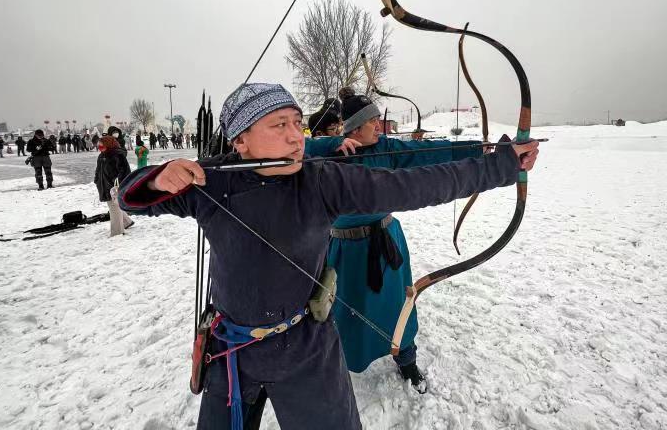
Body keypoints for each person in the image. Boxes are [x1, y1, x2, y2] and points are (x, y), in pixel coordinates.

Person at [118, 82, 539, 430]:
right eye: (279, 125)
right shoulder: (212, 183)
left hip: (306, 347)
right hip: (231, 352)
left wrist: (499, 167)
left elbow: (414, 185)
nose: (294, 136)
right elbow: (132, 195)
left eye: (298, 124)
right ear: (240, 140)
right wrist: (158, 178)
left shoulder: (321, 182)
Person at [304, 87, 491, 391]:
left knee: (397, 307)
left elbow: (429, 152)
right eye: (371, 122)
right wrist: (334, 143)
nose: (378, 125)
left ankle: (407, 360)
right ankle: (340, 365)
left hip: (385, 242)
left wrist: (478, 148)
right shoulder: (327, 153)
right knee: (345, 314)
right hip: (342, 249)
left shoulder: (386, 148)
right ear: (353, 128)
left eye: (378, 120)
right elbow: (296, 151)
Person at [95, 135, 134, 234]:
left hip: (114, 186)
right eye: (99, 144)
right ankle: (126, 222)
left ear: (108, 144)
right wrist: (97, 179)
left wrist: (118, 182)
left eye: (101, 144)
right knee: (114, 206)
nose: (99, 146)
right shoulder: (102, 155)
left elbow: (125, 171)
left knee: (114, 208)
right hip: (104, 186)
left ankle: (117, 232)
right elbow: (98, 170)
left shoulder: (117, 155)